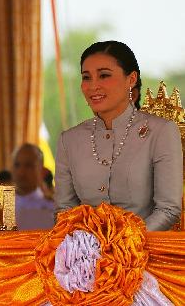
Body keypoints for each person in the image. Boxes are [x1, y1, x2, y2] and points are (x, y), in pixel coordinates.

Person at [55, 40, 182, 231]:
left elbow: (168, 209)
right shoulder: (69, 140)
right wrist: (85, 246)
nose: (93, 86)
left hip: (144, 251)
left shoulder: (161, 132)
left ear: (131, 79)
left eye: (104, 75)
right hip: (87, 256)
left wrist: (123, 243)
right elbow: (65, 211)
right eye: (86, 77)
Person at [11, 143, 54, 229]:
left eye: (28, 166)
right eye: (17, 165)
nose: (21, 172)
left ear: (42, 170)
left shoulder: (52, 209)